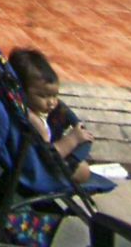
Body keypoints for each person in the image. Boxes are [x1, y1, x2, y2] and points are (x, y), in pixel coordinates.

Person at [9, 47, 95, 184]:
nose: (51, 102)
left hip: (27, 159)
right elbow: (48, 157)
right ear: (21, 91)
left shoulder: (15, 105)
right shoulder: (33, 121)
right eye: (43, 96)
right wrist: (73, 139)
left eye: (54, 95)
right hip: (36, 171)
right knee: (84, 170)